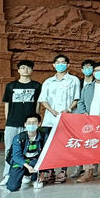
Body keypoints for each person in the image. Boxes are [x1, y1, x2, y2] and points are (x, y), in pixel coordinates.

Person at [38, 54, 80, 184]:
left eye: (63, 62)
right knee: (49, 145)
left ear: (68, 65)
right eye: (58, 62)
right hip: (50, 119)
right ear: (54, 65)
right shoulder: (48, 82)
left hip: (66, 119)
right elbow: (43, 99)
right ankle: (50, 170)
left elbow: (76, 98)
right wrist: (51, 110)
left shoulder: (74, 80)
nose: (60, 64)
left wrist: (68, 109)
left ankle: (63, 170)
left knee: (64, 145)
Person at [1, 60, 42, 187]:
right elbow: (7, 105)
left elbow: (38, 105)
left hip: (30, 124)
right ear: (18, 70)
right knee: (9, 149)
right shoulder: (11, 86)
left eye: (28, 67)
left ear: (32, 70)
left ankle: (26, 174)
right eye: (22, 67)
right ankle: (8, 174)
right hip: (12, 122)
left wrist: (36, 122)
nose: (25, 70)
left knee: (29, 149)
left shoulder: (37, 86)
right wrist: (8, 121)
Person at [5, 113, 46, 192]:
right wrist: (27, 166)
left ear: (39, 124)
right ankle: (25, 174)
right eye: (29, 123)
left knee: (35, 163)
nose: (31, 125)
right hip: (22, 162)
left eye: (34, 123)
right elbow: (16, 156)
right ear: (25, 124)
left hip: (35, 161)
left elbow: (47, 154)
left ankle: (35, 178)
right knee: (12, 187)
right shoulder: (19, 138)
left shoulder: (44, 137)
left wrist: (43, 172)